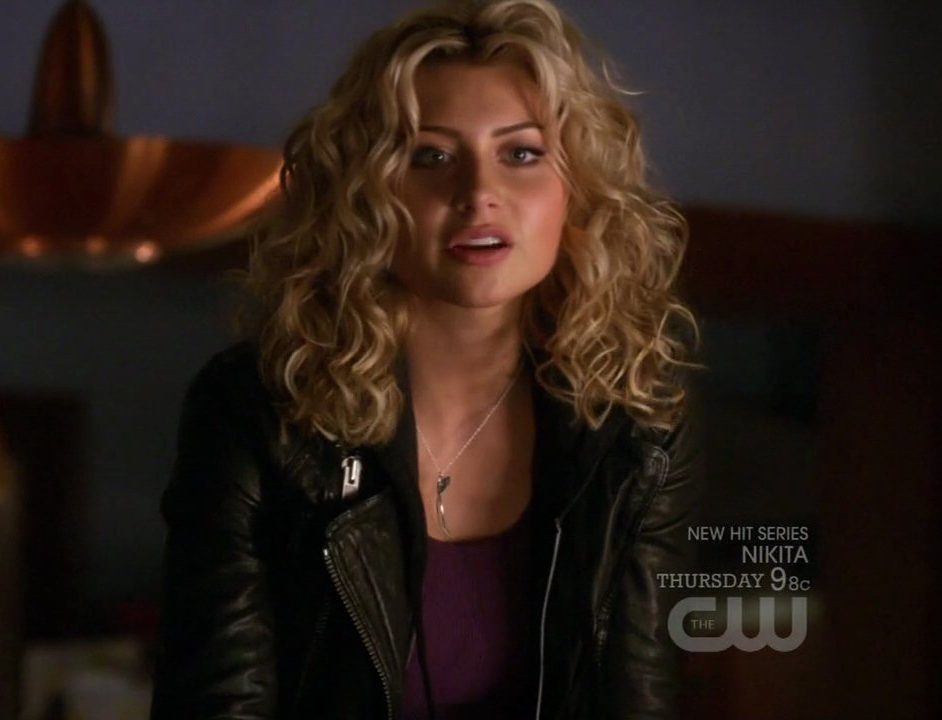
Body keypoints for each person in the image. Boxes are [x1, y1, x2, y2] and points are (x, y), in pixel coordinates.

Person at [151, 0, 698, 717]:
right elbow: (218, 701)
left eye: (521, 154)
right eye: (430, 156)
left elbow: (636, 698)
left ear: (578, 188)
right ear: (366, 192)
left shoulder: (635, 422)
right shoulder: (256, 407)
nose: (479, 195)